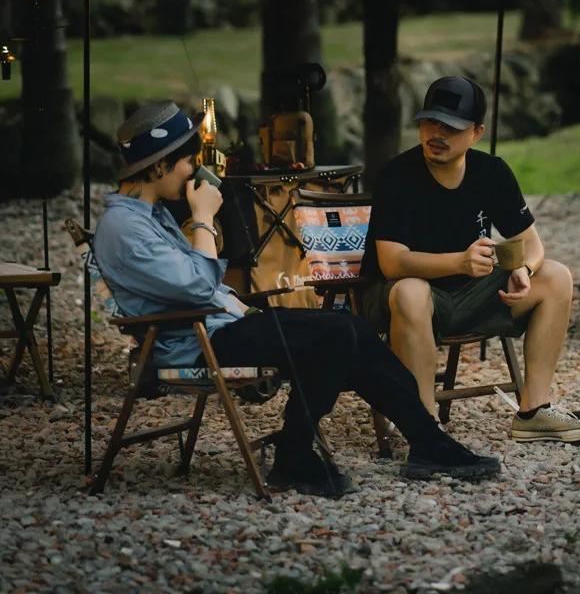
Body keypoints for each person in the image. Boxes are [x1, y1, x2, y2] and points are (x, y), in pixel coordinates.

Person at [93, 101, 500, 498]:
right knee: (336, 336)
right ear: (160, 165)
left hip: (222, 326)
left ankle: (426, 441)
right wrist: (202, 218)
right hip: (195, 345)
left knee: (352, 329)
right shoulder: (123, 228)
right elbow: (197, 289)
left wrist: (240, 299)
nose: (194, 171)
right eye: (188, 161)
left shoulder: (151, 215)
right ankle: (295, 452)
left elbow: (198, 286)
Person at [361, 76, 580, 443]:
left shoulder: (491, 172)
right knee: (411, 291)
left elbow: (531, 244)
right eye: (430, 122)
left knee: (555, 276)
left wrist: (523, 269)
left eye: (451, 127)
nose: (437, 134)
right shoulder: (398, 175)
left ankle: (534, 412)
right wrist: (459, 262)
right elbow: (393, 263)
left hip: (472, 294)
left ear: (476, 132)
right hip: (402, 300)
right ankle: (424, 426)